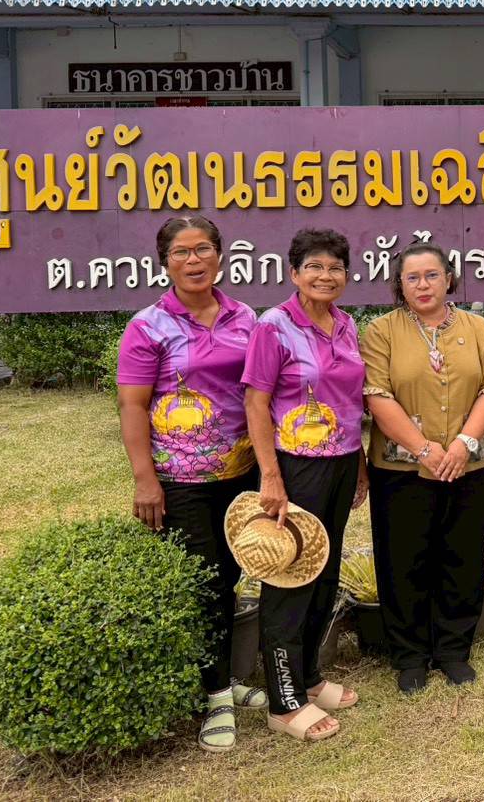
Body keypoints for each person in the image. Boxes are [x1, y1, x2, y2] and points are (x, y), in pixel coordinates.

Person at [116, 215, 267, 752]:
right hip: (180, 480)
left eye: (204, 249)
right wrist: (145, 481)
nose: (194, 260)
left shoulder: (245, 317)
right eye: (182, 252)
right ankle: (214, 696)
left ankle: (226, 678)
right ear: (165, 261)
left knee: (231, 576)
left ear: (221, 256)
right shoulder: (148, 326)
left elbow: (259, 391)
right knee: (203, 582)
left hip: (242, 471)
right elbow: (132, 407)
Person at [361, 242, 484, 694]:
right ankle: (409, 655)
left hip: (468, 466)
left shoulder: (478, 328)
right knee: (403, 561)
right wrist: (423, 449)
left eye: (432, 275)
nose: (423, 285)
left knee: (461, 556)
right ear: (399, 285)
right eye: (413, 277)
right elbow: (377, 395)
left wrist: (464, 443)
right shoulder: (381, 332)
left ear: (449, 278)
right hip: (402, 470)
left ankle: (452, 649)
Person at [242, 228, 368, 742]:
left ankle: (310, 678)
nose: (325, 275)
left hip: (339, 464)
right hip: (294, 467)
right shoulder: (273, 326)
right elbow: (255, 402)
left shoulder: (346, 324)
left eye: (335, 267)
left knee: (324, 571)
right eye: (314, 266)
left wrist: (358, 462)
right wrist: (270, 475)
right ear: (293, 273)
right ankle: (282, 701)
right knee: (289, 579)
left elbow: (350, 402)